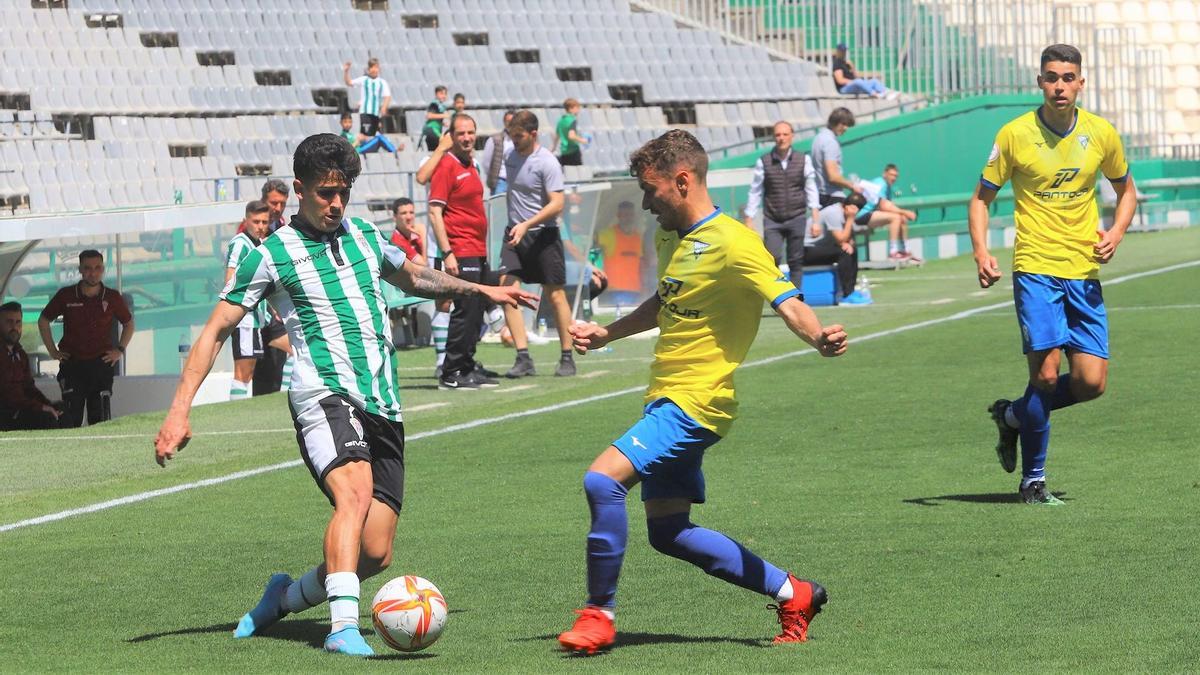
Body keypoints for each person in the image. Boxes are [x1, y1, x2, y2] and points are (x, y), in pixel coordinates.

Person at [153, 133, 537, 658]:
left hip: (383, 399)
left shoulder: (362, 235)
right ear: (299, 189)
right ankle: (342, 628)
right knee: (352, 496)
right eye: (325, 193)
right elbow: (216, 330)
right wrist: (179, 412)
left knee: (375, 552)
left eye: (344, 192)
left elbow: (415, 276)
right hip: (323, 394)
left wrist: (482, 288)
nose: (336, 204)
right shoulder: (271, 255)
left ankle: (282, 599)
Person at [559, 130, 848, 654]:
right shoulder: (671, 237)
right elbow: (664, 301)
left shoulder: (736, 243)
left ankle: (598, 615)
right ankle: (795, 592)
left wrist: (819, 337)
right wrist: (607, 333)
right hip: (666, 396)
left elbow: (786, 301)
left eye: (651, 191)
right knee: (668, 531)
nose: (646, 204)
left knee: (602, 482)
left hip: (697, 403)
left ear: (683, 181)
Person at [970, 43, 1137, 505]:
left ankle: (1012, 418)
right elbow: (981, 198)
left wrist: (1117, 232)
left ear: (1081, 82)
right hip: (1035, 269)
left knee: (1090, 383)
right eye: (1050, 77)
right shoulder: (1015, 134)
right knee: (1045, 375)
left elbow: (1127, 191)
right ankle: (1033, 481)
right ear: (1039, 82)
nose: (1059, 85)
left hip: (1084, 271)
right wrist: (981, 250)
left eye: (1067, 77)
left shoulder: (1101, 133)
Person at [498, 109, 575, 378]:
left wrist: (527, 224)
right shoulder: (509, 156)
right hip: (514, 233)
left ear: (533, 134)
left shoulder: (548, 162)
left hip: (543, 235)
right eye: (511, 136)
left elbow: (557, 203)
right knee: (506, 290)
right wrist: (517, 225)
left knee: (555, 296)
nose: (514, 141)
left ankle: (567, 356)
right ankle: (523, 357)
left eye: (518, 136)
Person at [428, 113, 497, 390]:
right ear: (451, 137)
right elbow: (435, 212)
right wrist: (448, 253)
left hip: (476, 248)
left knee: (476, 310)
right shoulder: (446, 166)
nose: (467, 138)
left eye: (471, 132)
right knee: (464, 310)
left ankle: (467, 365)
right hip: (460, 248)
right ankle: (451, 370)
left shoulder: (471, 165)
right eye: (461, 133)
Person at [38, 250, 134, 427]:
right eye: (88, 268)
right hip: (72, 364)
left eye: (97, 268)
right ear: (80, 269)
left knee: (100, 419)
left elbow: (129, 323)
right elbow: (43, 320)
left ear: (103, 269)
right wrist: (52, 350)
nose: (93, 272)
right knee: (71, 417)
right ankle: (71, 453)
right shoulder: (66, 295)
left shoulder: (112, 297)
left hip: (100, 364)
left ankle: (100, 452)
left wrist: (119, 350)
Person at [743, 121, 820, 291]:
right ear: (773, 137)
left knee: (796, 260)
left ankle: (796, 298)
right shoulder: (763, 161)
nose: (781, 138)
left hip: (797, 216)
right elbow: (755, 191)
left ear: (792, 136)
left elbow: (811, 189)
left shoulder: (803, 160)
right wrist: (749, 219)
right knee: (772, 258)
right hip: (773, 219)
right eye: (778, 135)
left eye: (785, 134)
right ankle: (777, 296)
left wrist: (815, 219)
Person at [225, 200, 272, 399]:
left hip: (257, 318)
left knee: (249, 371)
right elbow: (230, 278)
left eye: (264, 222)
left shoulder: (260, 244)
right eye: (256, 222)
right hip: (245, 319)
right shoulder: (240, 243)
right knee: (243, 373)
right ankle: (233, 415)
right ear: (246, 221)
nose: (261, 227)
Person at [254, 179, 294, 394]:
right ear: (263, 200)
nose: (278, 208)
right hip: (260, 306)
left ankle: (278, 394)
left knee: (273, 364)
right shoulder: (253, 226)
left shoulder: (281, 226)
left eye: (282, 203)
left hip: (276, 304)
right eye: (273, 203)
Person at [0, 301, 62, 431]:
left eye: (18, 322)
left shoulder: (20, 354)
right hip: (7, 412)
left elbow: (29, 388)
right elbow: (7, 393)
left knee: (62, 412)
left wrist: (47, 404)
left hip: (22, 408)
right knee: (46, 419)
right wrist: (40, 407)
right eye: (9, 322)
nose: (14, 327)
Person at [806, 194, 872, 305]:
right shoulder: (834, 213)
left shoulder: (842, 213)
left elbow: (848, 239)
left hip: (821, 248)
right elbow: (841, 239)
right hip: (808, 250)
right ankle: (846, 295)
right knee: (843, 253)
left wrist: (849, 243)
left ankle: (851, 291)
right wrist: (850, 219)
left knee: (852, 250)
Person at [856, 163, 920, 261]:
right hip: (860, 215)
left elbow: (888, 205)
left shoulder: (887, 186)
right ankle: (893, 252)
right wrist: (905, 212)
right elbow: (884, 206)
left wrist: (903, 214)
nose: (893, 178)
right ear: (884, 174)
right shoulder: (881, 184)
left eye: (895, 176)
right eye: (891, 175)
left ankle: (906, 250)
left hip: (871, 214)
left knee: (901, 218)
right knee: (896, 217)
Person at [593, 201, 647, 309]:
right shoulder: (608, 234)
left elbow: (640, 263)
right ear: (618, 216)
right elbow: (593, 247)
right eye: (624, 215)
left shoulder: (637, 237)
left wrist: (644, 287)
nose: (628, 218)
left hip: (635, 289)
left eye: (630, 215)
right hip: (616, 289)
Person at [811, 107, 863, 208]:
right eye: (843, 124)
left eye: (847, 125)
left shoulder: (818, 138)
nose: (845, 128)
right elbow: (833, 176)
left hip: (820, 195)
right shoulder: (831, 142)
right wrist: (853, 186)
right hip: (831, 197)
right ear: (834, 122)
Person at [342, 58, 396, 154]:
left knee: (374, 135)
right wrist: (346, 71)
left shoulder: (382, 82)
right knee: (371, 136)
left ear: (379, 69)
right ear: (368, 69)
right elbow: (349, 83)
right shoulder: (364, 80)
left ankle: (393, 151)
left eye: (376, 67)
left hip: (375, 114)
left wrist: (384, 107)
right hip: (365, 113)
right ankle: (395, 152)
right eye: (372, 67)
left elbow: (387, 96)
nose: (374, 69)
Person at [831, 43, 897, 99]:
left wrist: (852, 67)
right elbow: (840, 80)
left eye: (845, 50)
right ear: (838, 51)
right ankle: (875, 94)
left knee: (874, 81)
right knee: (858, 81)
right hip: (843, 89)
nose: (844, 52)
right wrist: (853, 82)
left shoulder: (846, 63)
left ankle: (887, 92)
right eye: (842, 51)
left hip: (854, 85)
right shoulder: (837, 63)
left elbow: (856, 76)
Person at [480, 109, 516, 195]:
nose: (510, 124)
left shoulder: (520, 141)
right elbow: (486, 162)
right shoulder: (494, 139)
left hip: (515, 182)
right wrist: (493, 177)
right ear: (504, 122)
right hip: (500, 181)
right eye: (508, 121)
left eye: (513, 121)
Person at [555, 98, 590, 167]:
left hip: (564, 152)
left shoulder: (561, 120)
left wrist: (552, 148)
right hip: (573, 151)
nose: (578, 110)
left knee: (567, 174)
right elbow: (571, 136)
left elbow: (557, 136)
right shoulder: (572, 120)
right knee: (579, 174)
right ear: (571, 108)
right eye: (577, 108)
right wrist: (583, 140)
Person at [420, 85, 450, 151]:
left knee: (435, 150)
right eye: (441, 93)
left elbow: (436, 118)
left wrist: (443, 123)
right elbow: (429, 115)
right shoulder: (434, 104)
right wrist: (444, 115)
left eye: (445, 94)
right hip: (432, 130)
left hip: (435, 130)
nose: (444, 96)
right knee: (442, 145)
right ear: (436, 94)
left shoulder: (440, 105)